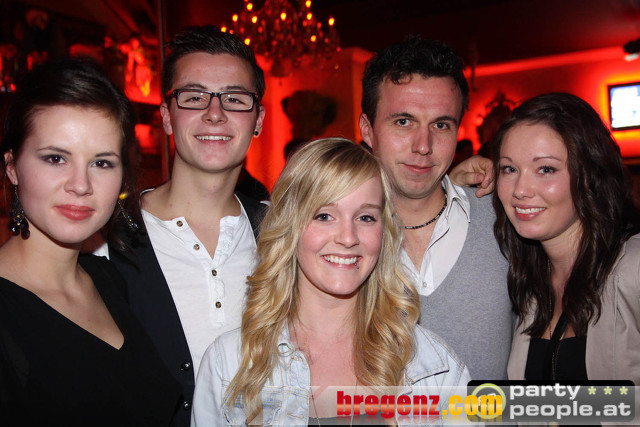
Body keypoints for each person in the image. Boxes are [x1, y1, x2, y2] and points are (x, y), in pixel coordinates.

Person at [192, 138, 470, 425]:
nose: (348, 238)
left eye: (365, 217)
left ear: (384, 232)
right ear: (289, 226)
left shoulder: (433, 366)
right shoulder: (229, 364)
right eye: (324, 216)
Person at [95, 26, 267, 426]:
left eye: (234, 98)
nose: (215, 113)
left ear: (258, 120)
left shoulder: (284, 233)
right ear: (167, 117)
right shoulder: (106, 241)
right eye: (194, 97)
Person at [0, 58, 180, 425]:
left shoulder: (108, 277)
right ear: (12, 167)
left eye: (101, 163)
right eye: (55, 158)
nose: (81, 185)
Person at [359, 35, 513, 380]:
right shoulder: (333, 237)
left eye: (441, 125)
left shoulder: (505, 219)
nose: (423, 146)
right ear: (368, 130)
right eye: (403, 122)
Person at [493, 92, 640, 383]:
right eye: (509, 169)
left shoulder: (633, 267)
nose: (520, 189)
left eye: (546, 169)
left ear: (590, 175)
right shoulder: (527, 283)